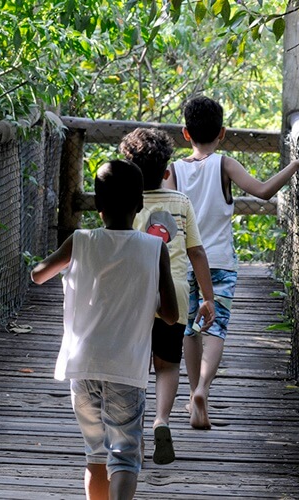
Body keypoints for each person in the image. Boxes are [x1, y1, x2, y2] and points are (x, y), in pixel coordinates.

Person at [166, 95, 299, 430]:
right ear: (222, 132)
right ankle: (202, 390)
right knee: (217, 326)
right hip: (221, 262)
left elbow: (165, 216)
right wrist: (296, 165)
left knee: (190, 328)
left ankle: (195, 392)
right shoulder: (225, 164)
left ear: (185, 133)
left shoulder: (174, 172)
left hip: (184, 262)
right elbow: (264, 191)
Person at [31, 159, 179, 500]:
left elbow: (39, 274)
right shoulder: (154, 249)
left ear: (97, 205)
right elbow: (171, 315)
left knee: (96, 456)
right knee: (125, 456)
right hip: (127, 370)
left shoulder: (80, 241)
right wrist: (148, 297)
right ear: (140, 204)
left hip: (83, 366)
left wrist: (57, 262)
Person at [119, 127, 216, 465]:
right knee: (167, 365)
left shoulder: (125, 204)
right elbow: (198, 254)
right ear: (166, 172)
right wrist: (209, 298)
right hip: (172, 295)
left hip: (132, 295)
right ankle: (162, 419)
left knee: (134, 367)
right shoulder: (181, 202)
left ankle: (135, 434)